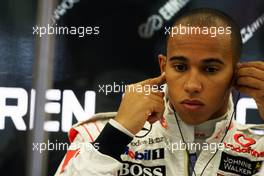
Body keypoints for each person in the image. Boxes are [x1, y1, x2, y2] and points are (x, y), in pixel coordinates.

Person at [55, 8, 264, 176]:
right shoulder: (97, 136)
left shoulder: (258, 149)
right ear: (164, 67)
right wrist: (118, 134)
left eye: (210, 69)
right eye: (180, 67)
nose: (192, 85)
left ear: (236, 73)